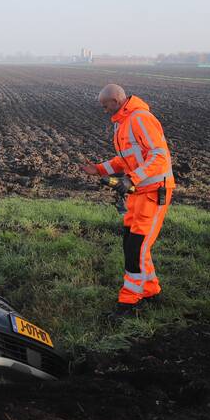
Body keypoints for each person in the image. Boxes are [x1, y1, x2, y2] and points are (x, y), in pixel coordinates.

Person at [81, 84, 175, 316]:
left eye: (105, 106)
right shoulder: (122, 122)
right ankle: (151, 291)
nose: (104, 110)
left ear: (116, 100)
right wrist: (100, 169)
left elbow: (159, 155)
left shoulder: (140, 118)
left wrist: (132, 178)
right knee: (132, 243)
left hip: (154, 192)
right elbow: (126, 159)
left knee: (137, 248)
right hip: (138, 193)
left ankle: (129, 302)